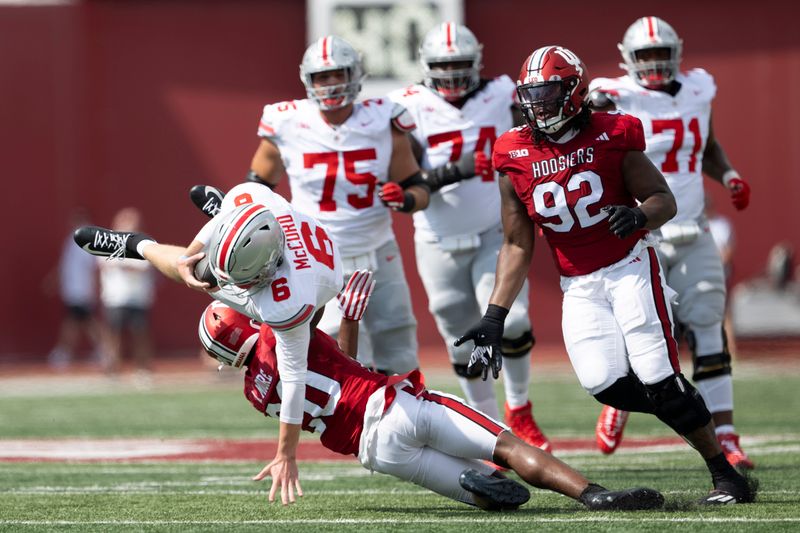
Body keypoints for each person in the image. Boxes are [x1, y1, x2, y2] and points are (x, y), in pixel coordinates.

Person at [456, 45, 753, 504]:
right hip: (578, 282)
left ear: (575, 92)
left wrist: (639, 217)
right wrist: (495, 315)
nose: (540, 104)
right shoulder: (513, 151)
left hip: (630, 266)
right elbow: (517, 242)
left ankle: (726, 474)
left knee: (657, 375)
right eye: (532, 95)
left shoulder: (612, 133)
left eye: (551, 93)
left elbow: (663, 198)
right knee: (604, 384)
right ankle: (678, 409)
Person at [199, 284, 664, 510]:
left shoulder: (254, 392)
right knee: (509, 446)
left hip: (375, 451)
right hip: (394, 404)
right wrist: (348, 311)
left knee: (491, 500)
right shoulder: (279, 333)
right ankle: (594, 495)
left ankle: (476, 485)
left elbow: (334, 366)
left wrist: (348, 322)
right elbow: (307, 301)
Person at [73, 181, 343, 506]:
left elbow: (295, 378)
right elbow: (230, 219)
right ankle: (137, 246)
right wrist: (189, 253)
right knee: (195, 265)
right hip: (301, 259)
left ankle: (145, 247)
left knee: (206, 277)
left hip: (307, 285)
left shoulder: (287, 302)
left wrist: (286, 453)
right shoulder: (260, 203)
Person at [588, 16, 754, 468]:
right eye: (646, 55)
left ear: (677, 52)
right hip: (645, 231)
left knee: (706, 325)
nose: (656, 63)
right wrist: (594, 110)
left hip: (694, 227)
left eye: (662, 53)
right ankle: (620, 400)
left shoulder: (699, 89)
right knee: (640, 331)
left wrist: (730, 174)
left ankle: (727, 435)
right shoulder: (613, 94)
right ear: (628, 59)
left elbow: (709, 147)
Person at [386, 22, 549, 451]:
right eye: (444, 65)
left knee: (511, 320)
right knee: (461, 339)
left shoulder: (501, 94)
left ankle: (519, 408)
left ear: (476, 62)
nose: (453, 73)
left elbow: (534, 144)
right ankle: (490, 427)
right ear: (427, 66)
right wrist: (457, 169)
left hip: (495, 230)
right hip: (437, 239)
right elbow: (408, 181)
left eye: (460, 64)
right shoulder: (408, 105)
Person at [245, 35, 430, 376]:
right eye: (322, 76)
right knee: (332, 346)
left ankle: (407, 421)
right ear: (308, 80)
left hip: (378, 250)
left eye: (338, 74)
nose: (330, 83)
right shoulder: (287, 121)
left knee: (398, 341)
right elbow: (257, 188)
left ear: (356, 75)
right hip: (317, 255)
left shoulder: (384, 118)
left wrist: (404, 199)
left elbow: (418, 189)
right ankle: (348, 422)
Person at [96, 207, 156, 379]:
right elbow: (104, 264)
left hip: (138, 297)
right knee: (113, 333)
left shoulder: (145, 242)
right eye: (125, 221)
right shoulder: (107, 242)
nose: (129, 225)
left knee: (140, 333)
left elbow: (143, 267)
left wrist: (123, 265)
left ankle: (143, 368)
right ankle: (111, 367)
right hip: (115, 297)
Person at [45, 208, 102, 370]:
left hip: (82, 290)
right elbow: (65, 266)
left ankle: (63, 352)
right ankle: (104, 349)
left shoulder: (88, 239)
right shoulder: (71, 240)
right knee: (85, 322)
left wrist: (95, 289)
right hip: (73, 290)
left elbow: (93, 267)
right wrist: (53, 281)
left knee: (74, 321)